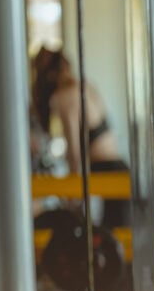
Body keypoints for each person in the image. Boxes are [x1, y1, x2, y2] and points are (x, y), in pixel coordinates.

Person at [31, 47, 130, 228]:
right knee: (114, 236)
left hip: (105, 170)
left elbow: (74, 150)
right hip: (119, 168)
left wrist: (73, 191)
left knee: (107, 238)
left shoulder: (63, 97)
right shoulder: (84, 86)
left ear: (49, 75)